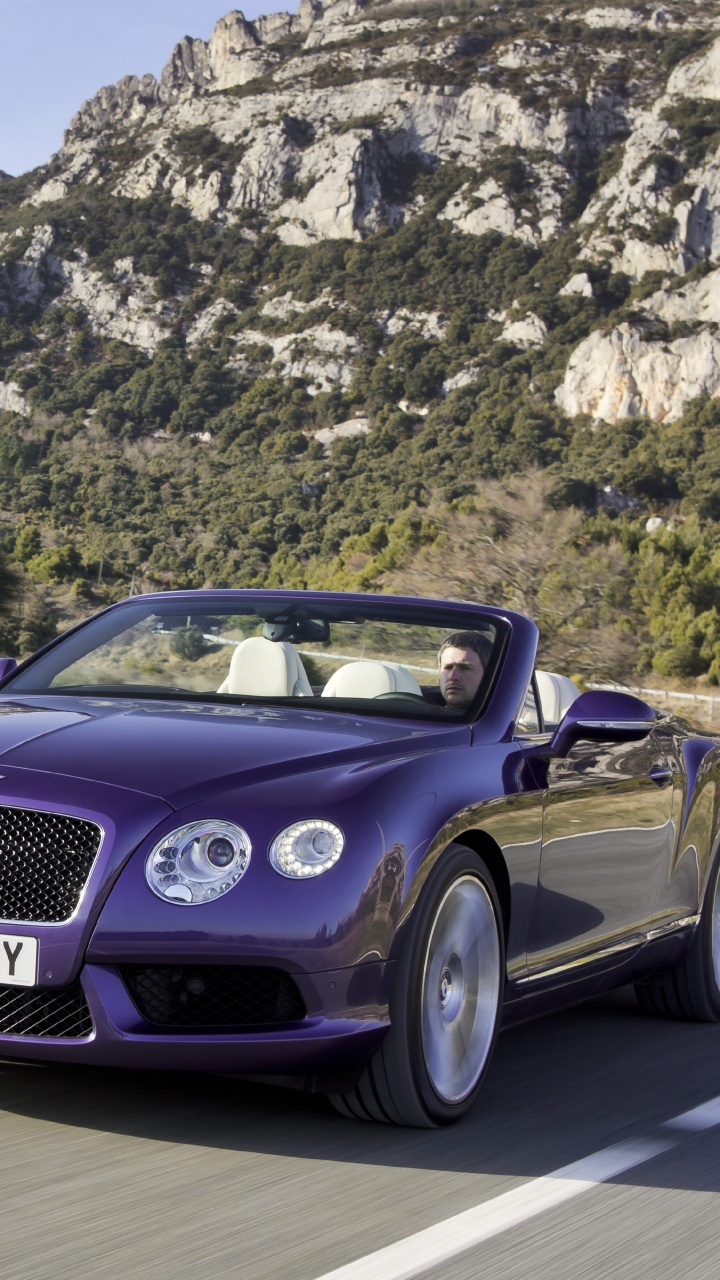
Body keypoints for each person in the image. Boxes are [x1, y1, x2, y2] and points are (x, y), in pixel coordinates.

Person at [437, 631, 490, 710]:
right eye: (448, 667)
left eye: (465, 668)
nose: (453, 677)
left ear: (489, 675)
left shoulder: (501, 717)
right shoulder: (423, 714)